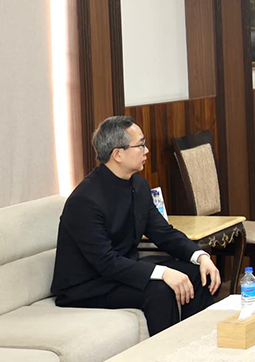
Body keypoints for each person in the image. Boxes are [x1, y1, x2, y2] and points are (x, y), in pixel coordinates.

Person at [52, 116, 221, 336]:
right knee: (159, 289)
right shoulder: (85, 200)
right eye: (140, 145)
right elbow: (106, 262)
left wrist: (201, 257)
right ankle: (166, 353)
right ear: (118, 154)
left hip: (121, 272)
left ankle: (195, 342)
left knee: (199, 275)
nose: (146, 150)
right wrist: (163, 273)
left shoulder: (138, 185)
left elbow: (164, 233)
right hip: (89, 285)